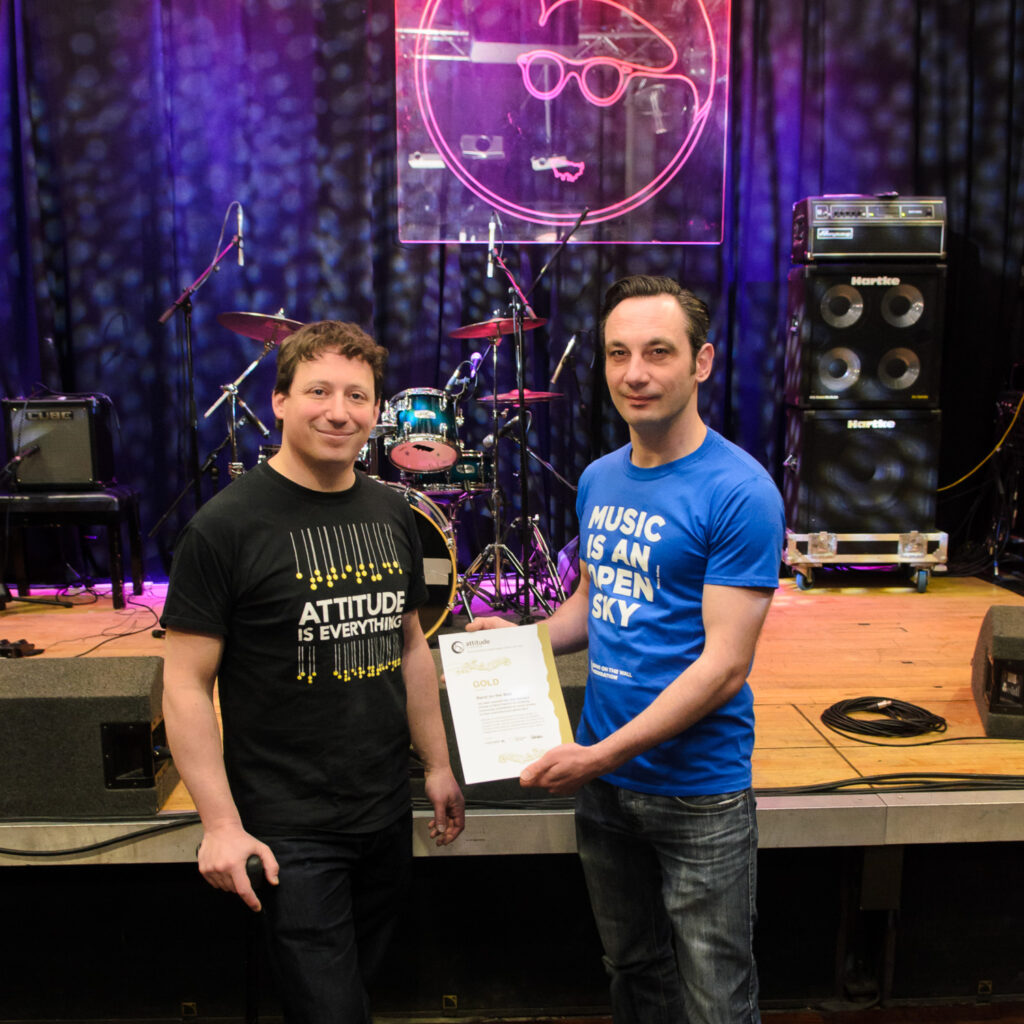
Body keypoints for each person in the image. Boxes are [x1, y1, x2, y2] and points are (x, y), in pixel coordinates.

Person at [468, 275, 784, 1024]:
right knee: (634, 971)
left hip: (696, 792)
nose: (635, 373)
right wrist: (522, 639)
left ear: (701, 363)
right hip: (606, 788)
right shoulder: (600, 479)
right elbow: (592, 606)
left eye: (657, 352)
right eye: (618, 354)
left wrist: (597, 757)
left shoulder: (741, 492)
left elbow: (724, 666)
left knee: (717, 997)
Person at [161, 319, 465, 1024]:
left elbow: (411, 645)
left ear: (376, 411)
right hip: (287, 827)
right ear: (279, 401)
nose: (338, 410)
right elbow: (183, 684)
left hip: (383, 808)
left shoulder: (394, 515)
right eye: (318, 391)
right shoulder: (224, 527)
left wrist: (438, 763)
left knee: (361, 991)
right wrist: (219, 823)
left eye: (357, 396)